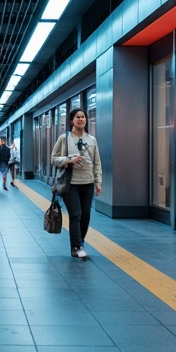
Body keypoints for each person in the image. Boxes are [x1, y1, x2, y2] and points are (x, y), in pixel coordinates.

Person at [51, 109, 102, 259]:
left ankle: (80, 242)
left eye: (83, 117)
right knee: (76, 215)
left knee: (85, 215)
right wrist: (69, 160)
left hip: (88, 182)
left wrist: (98, 181)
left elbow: (97, 162)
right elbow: (53, 158)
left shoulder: (92, 140)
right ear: (71, 121)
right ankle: (76, 247)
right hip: (70, 183)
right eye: (77, 117)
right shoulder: (64, 138)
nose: (81, 119)